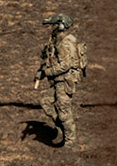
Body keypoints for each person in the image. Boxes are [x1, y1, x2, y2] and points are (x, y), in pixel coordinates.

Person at [36, 12, 88, 147]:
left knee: (64, 111)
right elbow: (49, 58)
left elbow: (65, 65)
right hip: (58, 79)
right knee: (45, 101)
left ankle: (70, 142)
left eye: (54, 25)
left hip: (65, 80)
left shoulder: (66, 43)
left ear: (61, 25)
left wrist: (48, 72)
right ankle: (62, 126)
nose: (52, 28)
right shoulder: (57, 40)